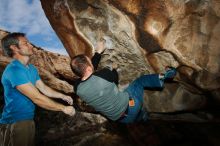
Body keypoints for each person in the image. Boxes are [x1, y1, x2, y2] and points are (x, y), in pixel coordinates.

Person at [70, 40, 176, 124]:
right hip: (131, 106)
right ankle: (166, 75)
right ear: (89, 68)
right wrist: (114, 68)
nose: (91, 62)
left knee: (138, 116)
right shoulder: (104, 75)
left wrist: (97, 53)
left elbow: (89, 72)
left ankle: (144, 117)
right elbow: (114, 78)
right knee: (140, 82)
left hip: (120, 120)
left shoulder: (77, 88)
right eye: (89, 61)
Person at [0, 32, 75, 146]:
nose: (31, 45)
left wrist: (62, 96)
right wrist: (63, 108)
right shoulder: (14, 70)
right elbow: (36, 97)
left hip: (28, 119)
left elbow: (43, 88)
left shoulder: (31, 68)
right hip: (15, 123)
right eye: (26, 43)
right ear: (14, 48)